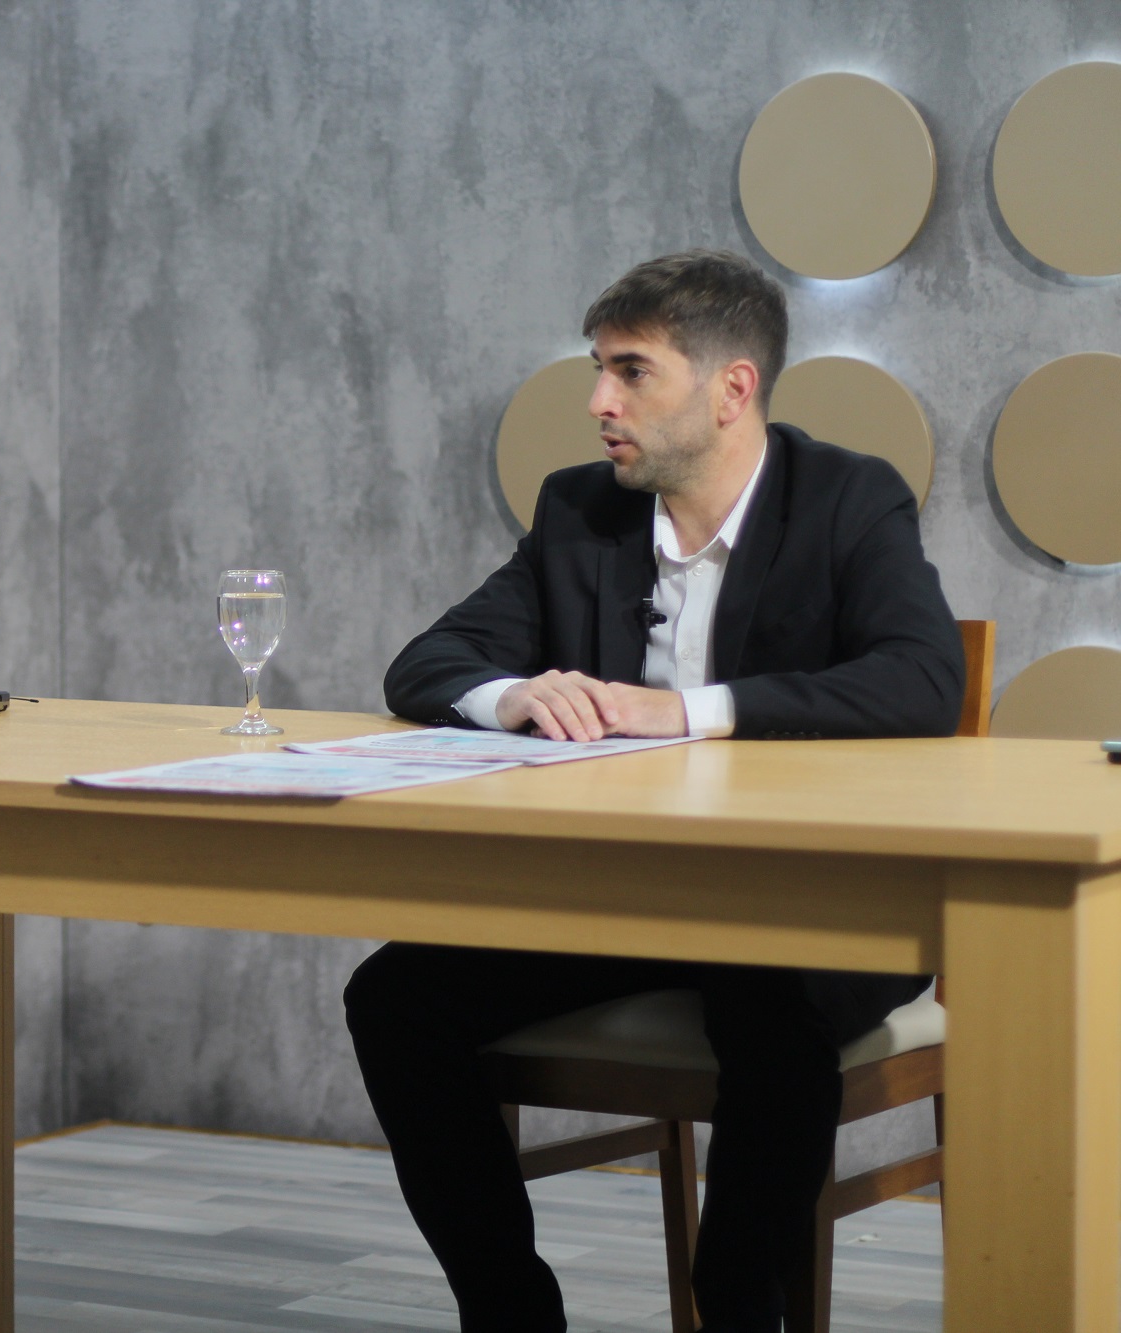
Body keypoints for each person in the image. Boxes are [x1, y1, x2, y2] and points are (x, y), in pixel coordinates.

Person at [344, 250, 965, 1333]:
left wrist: (684, 711)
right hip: (628, 898)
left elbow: (920, 679)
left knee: (769, 1010)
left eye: (630, 371)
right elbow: (426, 664)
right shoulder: (579, 509)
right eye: (598, 367)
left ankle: (734, 1309)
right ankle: (509, 1313)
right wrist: (512, 694)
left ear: (731, 389)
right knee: (394, 998)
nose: (598, 400)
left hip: (818, 901)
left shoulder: (847, 498)